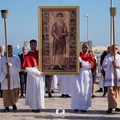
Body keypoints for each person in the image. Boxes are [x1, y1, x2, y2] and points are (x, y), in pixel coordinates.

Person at [22, 39, 45, 112]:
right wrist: (37, 72)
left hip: (40, 76)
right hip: (32, 76)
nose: (33, 46)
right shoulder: (27, 55)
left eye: (35, 44)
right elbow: (27, 69)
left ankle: (40, 106)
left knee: (40, 91)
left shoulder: (40, 54)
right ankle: (34, 107)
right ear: (30, 45)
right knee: (33, 92)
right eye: (32, 45)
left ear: (36, 45)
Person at [71, 42, 94, 112]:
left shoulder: (90, 55)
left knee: (85, 90)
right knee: (77, 90)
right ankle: (76, 106)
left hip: (86, 74)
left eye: (86, 47)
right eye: (83, 47)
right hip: (78, 73)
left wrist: (81, 61)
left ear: (88, 48)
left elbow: (90, 65)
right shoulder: (78, 54)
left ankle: (84, 107)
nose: (84, 49)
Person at [0, 45, 21, 112]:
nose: (10, 51)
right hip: (6, 79)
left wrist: (10, 65)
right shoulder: (3, 59)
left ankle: (13, 103)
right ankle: (6, 106)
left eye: (11, 49)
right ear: (6, 50)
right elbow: (0, 69)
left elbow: (18, 68)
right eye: (8, 49)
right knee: (6, 93)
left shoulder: (16, 58)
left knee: (14, 93)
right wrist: (4, 75)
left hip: (14, 78)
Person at [102, 44, 120, 113]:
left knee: (118, 92)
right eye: (113, 48)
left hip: (118, 76)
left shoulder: (119, 57)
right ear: (111, 49)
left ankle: (117, 106)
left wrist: (117, 66)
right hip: (110, 76)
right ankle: (110, 107)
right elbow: (104, 66)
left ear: (118, 50)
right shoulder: (107, 57)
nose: (114, 50)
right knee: (111, 92)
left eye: (116, 48)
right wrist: (110, 63)